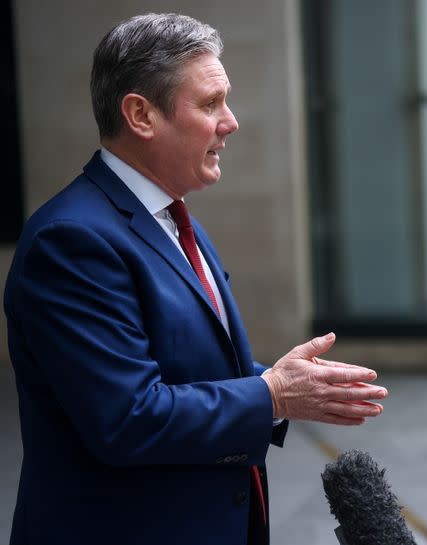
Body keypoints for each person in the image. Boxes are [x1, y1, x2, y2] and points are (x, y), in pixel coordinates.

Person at [3, 13, 388, 545]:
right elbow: (128, 417)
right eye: (210, 104)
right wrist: (271, 395)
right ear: (141, 114)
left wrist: (284, 381)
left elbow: (184, 365)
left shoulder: (172, 215)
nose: (230, 121)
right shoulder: (70, 241)